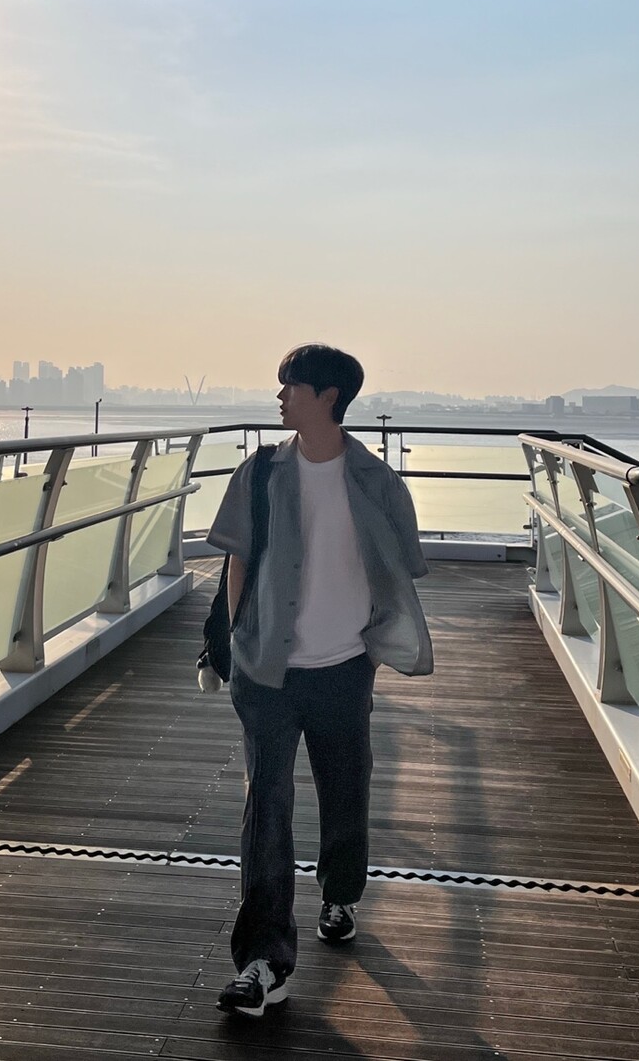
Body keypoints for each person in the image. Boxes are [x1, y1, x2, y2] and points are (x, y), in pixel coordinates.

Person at [206, 343, 433, 1017]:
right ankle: (263, 962)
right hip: (267, 672)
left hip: (344, 668)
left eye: (291, 386)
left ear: (328, 396)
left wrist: (373, 650)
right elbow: (236, 561)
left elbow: (400, 570)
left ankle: (340, 893)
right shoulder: (260, 472)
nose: (280, 397)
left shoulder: (377, 481)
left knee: (345, 789)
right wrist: (238, 639)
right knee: (266, 810)